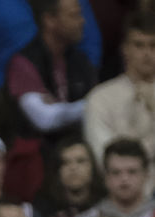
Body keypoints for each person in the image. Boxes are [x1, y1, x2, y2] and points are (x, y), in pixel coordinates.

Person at [84, 14, 155, 192]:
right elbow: (103, 159)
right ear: (125, 49)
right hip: (118, 199)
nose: (147, 53)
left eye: (154, 45)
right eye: (139, 45)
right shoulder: (100, 98)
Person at [8, 0, 95, 145]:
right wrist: (91, 105)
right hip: (37, 153)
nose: (82, 21)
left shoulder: (80, 60)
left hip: (75, 147)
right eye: (74, 15)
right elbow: (45, 119)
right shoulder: (24, 63)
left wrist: (63, 109)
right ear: (49, 20)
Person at [37, 136, 106, 217]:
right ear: (57, 170)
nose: (73, 168)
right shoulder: (43, 207)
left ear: (92, 167)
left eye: (80, 161)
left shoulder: (106, 203)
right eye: (65, 162)